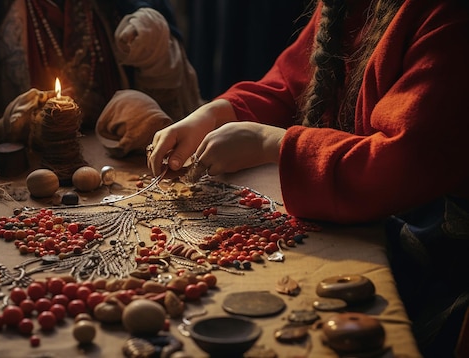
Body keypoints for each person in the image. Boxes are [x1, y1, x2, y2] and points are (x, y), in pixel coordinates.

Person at [147, 0, 469, 356]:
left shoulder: (450, 17)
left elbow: (403, 161)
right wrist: (216, 113)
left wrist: (272, 143)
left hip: (438, 249)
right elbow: (291, 84)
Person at [0, 0, 202, 158]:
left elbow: (173, 103)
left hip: (120, 156)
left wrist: (155, 48)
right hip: (18, 171)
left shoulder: (122, 5)